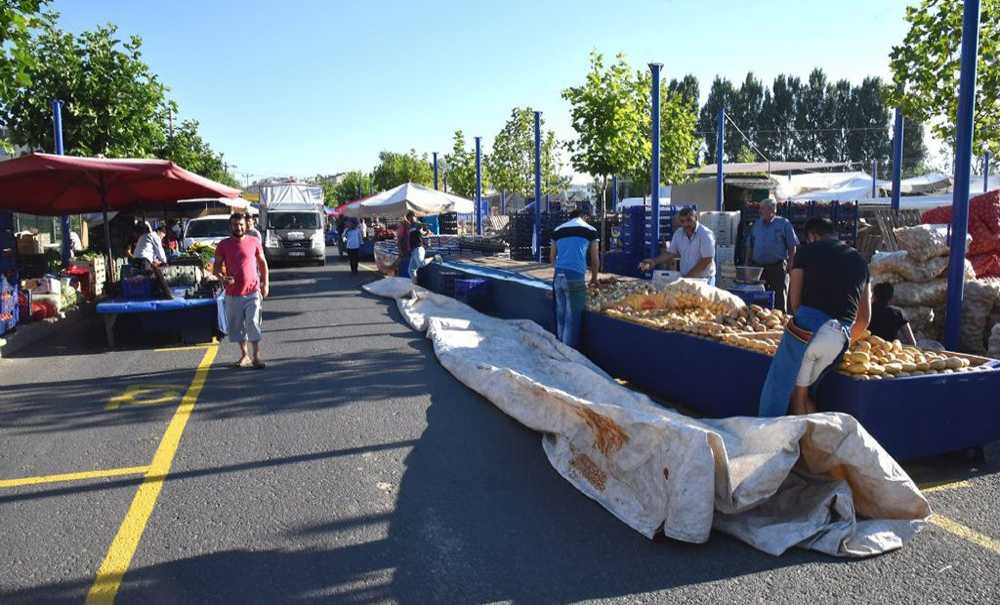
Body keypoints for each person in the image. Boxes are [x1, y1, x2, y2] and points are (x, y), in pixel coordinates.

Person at [759, 217, 871, 417]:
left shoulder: (806, 252)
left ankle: (776, 436)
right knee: (801, 390)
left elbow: (794, 302)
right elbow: (864, 319)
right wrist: (842, 340)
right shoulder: (861, 261)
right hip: (840, 337)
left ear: (812, 236)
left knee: (780, 386)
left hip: (807, 330)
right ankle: (815, 440)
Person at [213, 213, 270, 370]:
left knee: (253, 322)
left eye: (241, 224)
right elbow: (216, 267)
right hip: (233, 293)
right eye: (235, 225)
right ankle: (244, 355)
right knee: (237, 326)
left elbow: (263, 263)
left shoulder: (254, 242)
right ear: (230, 226)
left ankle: (256, 356)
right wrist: (222, 278)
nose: (238, 227)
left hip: (253, 291)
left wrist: (266, 284)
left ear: (246, 225)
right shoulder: (223, 245)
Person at [549, 209, 599, 348]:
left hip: (558, 276)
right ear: (584, 216)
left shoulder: (558, 230)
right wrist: (594, 278)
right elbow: (595, 259)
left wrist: (559, 269)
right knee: (572, 319)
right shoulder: (590, 230)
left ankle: (559, 350)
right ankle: (568, 356)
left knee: (560, 316)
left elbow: (552, 257)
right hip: (575, 277)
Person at [639, 207, 716, 285]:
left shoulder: (705, 234)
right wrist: (654, 261)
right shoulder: (678, 234)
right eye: (682, 221)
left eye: (689, 220)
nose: (686, 224)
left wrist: (687, 278)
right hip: (686, 279)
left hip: (704, 280)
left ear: (696, 218)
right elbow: (670, 253)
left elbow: (707, 260)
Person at [750, 198, 798, 312]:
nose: (760, 211)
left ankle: (780, 318)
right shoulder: (757, 224)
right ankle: (762, 317)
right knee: (760, 295)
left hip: (777, 266)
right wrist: (749, 262)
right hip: (759, 267)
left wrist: (790, 264)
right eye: (760, 208)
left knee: (779, 295)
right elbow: (750, 244)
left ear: (772, 209)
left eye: (762, 208)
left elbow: (792, 246)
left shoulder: (784, 224)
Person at [131, 223, 173, 299]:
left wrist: (156, 261)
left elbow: (148, 251)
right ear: (160, 233)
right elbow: (160, 252)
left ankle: (155, 292)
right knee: (157, 273)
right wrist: (165, 262)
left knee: (149, 273)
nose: (162, 239)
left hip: (135, 260)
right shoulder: (155, 236)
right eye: (162, 237)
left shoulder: (145, 236)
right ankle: (167, 295)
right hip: (143, 260)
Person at [396, 210, 416, 278]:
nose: (415, 219)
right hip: (404, 250)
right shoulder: (403, 226)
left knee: (408, 267)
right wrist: (400, 250)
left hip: (409, 249)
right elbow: (399, 239)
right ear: (410, 217)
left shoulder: (411, 225)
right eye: (414, 217)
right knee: (404, 266)